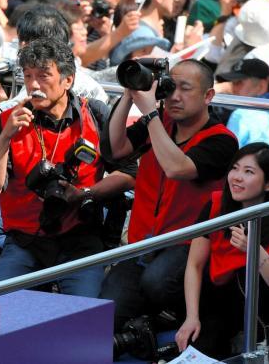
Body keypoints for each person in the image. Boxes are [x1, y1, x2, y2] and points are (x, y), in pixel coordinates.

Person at [102, 59, 238, 330]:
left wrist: (151, 114)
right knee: (107, 311)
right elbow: (115, 148)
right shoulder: (160, 122)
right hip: (143, 242)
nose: (175, 97)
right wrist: (129, 94)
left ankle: (177, 320)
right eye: (171, 87)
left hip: (186, 245)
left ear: (208, 95)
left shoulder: (222, 139)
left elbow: (178, 168)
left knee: (157, 282)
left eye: (185, 89)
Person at [176, 144, 269, 358]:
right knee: (192, 352)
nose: (237, 177)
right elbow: (194, 266)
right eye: (235, 168)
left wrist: (254, 250)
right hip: (222, 308)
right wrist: (192, 316)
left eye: (248, 172)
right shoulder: (215, 207)